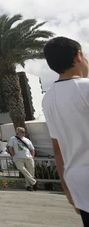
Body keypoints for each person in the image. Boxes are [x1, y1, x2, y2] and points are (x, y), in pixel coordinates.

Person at [43, 36, 89, 225]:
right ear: (78, 56)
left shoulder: (48, 99)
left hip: (78, 182)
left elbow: (57, 147)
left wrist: (66, 186)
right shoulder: (85, 88)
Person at [8, 127, 37, 191]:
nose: (23, 133)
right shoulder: (13, 139)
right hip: (18, 157)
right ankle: (34, 182)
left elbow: (32, 149)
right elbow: (10, 147)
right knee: (22, 169)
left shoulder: (27, 140)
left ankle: (29, 185)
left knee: (31, 171)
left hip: (28, 157)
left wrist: (32, 156)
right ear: (18, 132)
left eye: (24, 132)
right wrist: (13, 155)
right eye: (22, 132)